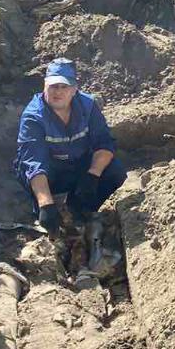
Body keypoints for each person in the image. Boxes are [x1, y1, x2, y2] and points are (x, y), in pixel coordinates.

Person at [15, 59, 127, 235]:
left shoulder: (88, 106)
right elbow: (34, 163)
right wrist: (46, 204)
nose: (58, 92)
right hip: (50, 171)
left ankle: (84, 210)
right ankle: (53, 212)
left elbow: (104, 143)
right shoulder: (33, 117)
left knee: (115, 172)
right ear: (45, 86)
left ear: (74, 89)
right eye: (53, 86)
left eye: (64, 86)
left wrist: (92, 176)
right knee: (45, 207)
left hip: (79, 164)